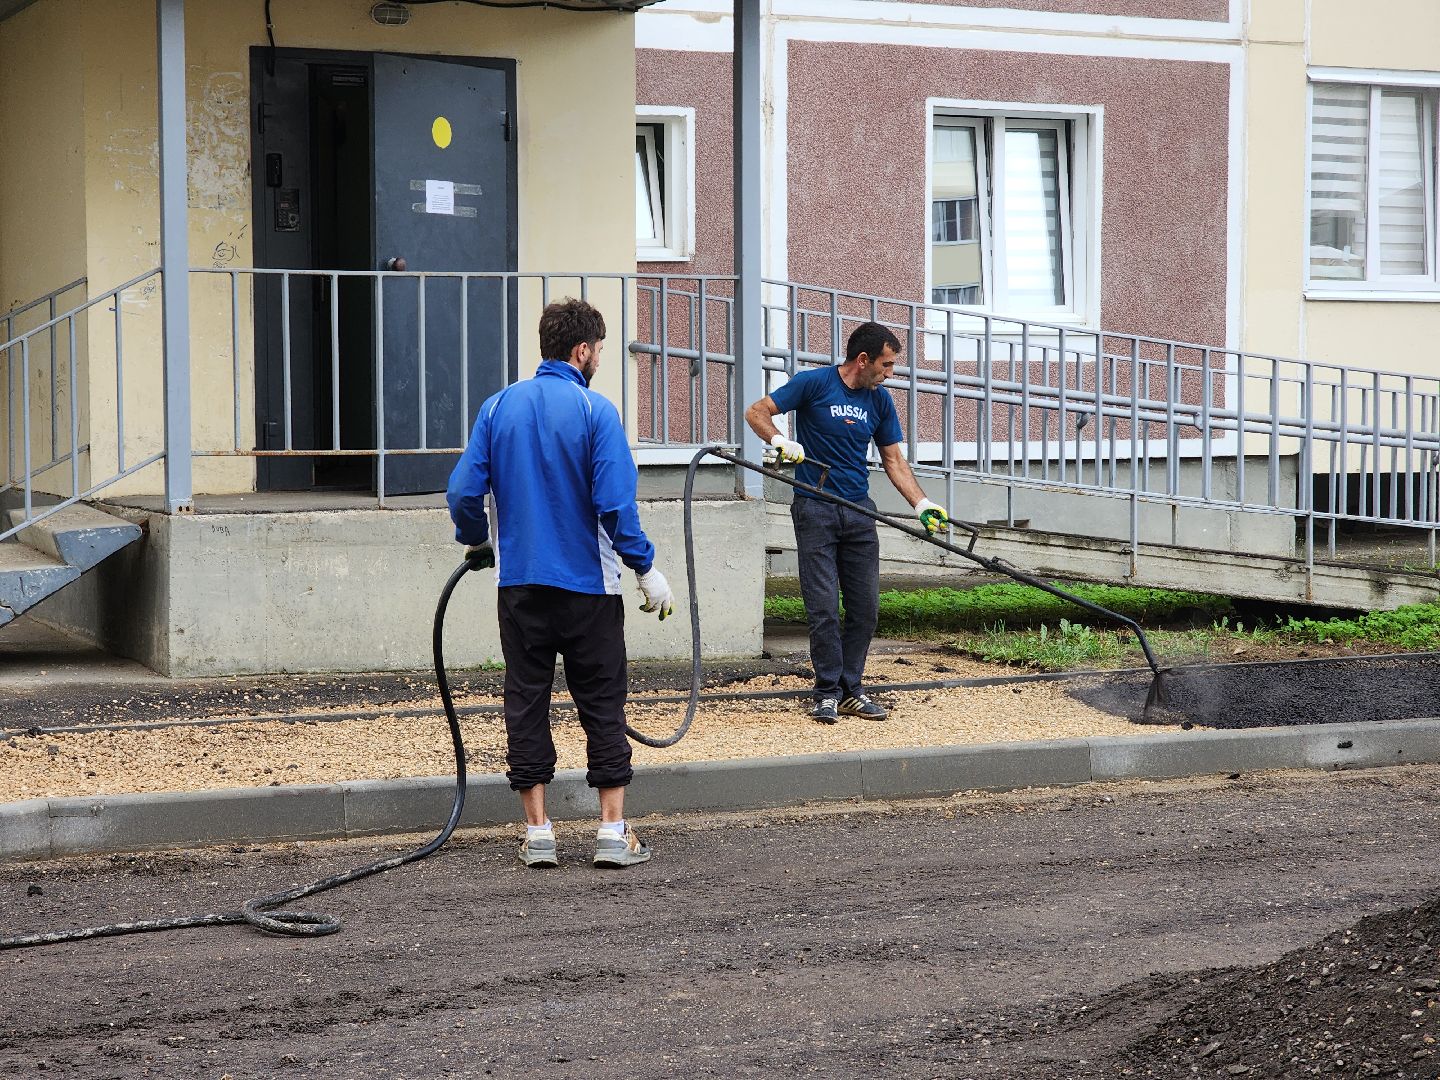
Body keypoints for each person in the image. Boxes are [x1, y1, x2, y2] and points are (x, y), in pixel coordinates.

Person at [447, 298, 673, 870]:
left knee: (526, 699)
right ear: (582, 350)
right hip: (589, 588)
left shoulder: (498, 406)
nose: (599, 359)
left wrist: (478, 539)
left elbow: (463, 492)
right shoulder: (597, 411)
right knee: (602, 702)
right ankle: (612, 832)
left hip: (519, 585)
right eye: (599, 350)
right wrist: (645, 568)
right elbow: (615, 504)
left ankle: (538, 833)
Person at [745, 321, 950, 725]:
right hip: (815, 509)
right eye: (886, 365)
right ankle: (826, 693)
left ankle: (850, 691)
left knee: (865, 609)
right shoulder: (814, 384)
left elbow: (893, 459)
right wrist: (779, 440)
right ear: (863, 360)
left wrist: (921, 503)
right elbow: (757, 411)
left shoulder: (880, 401)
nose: (890, 373)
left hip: (859, 511)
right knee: (823, 608)